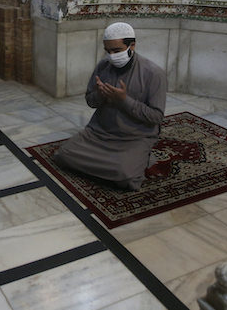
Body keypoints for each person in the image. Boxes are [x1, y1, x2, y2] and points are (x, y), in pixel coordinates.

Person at [52, 22, 167, 191]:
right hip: (99, 132)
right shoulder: (103, 66)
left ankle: (143, 157)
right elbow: (90, 102)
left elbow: (156, 117)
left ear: (132, 45)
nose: (112, 56)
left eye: (117, 51)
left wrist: (124, 100)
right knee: (64, 155)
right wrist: (99, 95)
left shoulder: (153, 73)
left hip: (134, 137)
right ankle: (125, 161)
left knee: (124, 174)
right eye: (108, 51)